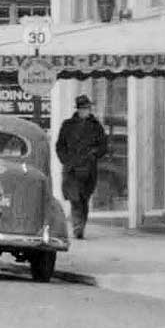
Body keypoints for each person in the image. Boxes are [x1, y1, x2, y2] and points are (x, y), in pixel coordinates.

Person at [56, 94, 108, 239]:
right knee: (75, 198)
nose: (85, 111)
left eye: (87, 108)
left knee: (84, 198)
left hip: (88, 169)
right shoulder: (67, 125)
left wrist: (94, 154)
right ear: (78, 109)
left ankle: (81, 225)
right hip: (72, 169)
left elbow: (103, 146)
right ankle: (77, 227)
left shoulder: (96, 126)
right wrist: (66, 160)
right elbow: (60, 146)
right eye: (83, 108)